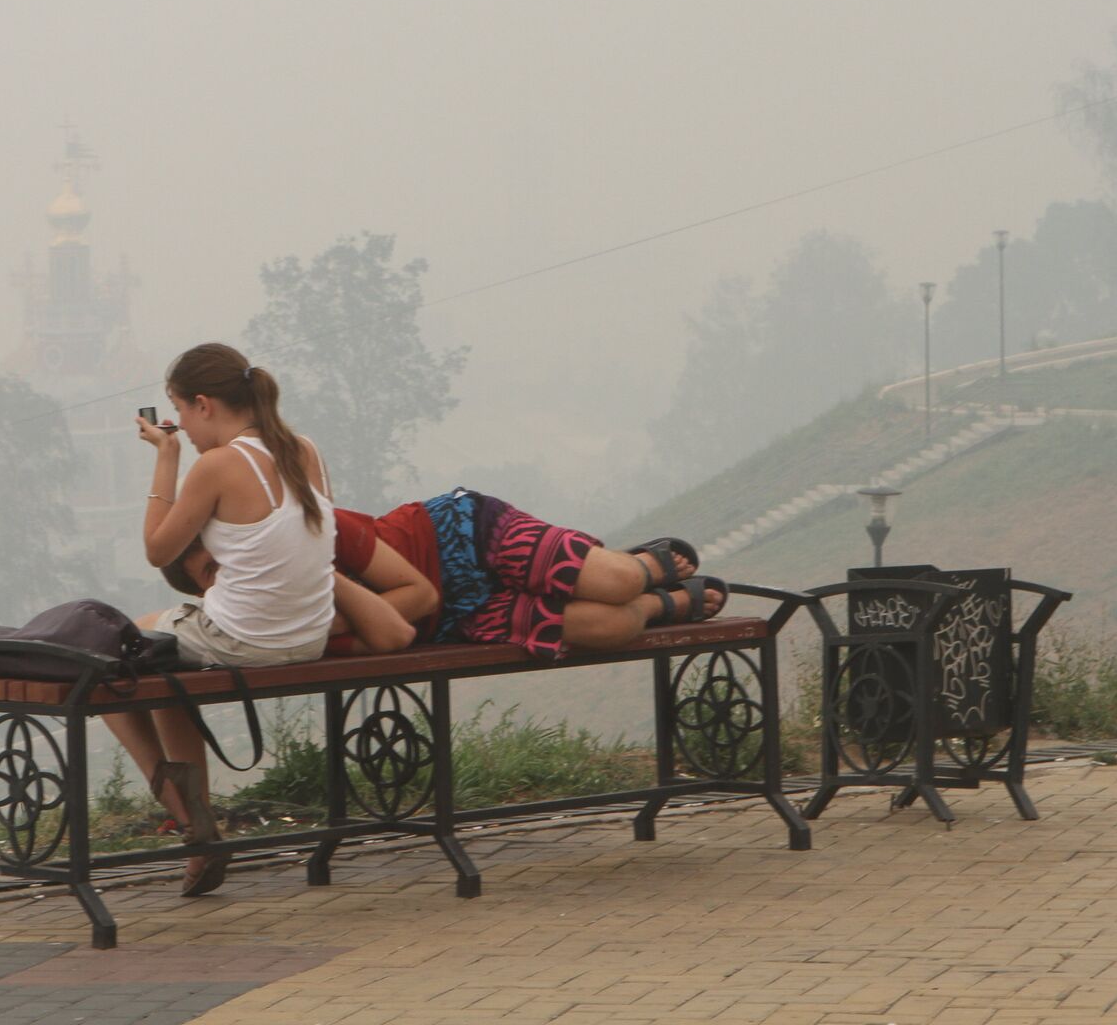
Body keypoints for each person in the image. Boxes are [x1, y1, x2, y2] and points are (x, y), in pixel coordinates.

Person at [105, 342, 339, 898]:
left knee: (120, 651)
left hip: (246, 641)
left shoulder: (218, 463)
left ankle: (190, 822)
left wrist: (166, 458)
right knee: (161, 660)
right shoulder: (304, 450)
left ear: (204, 404)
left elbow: (159, 550)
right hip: (310, 636)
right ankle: (195, 821)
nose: (180, 424)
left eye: (181, 411)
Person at [165, 490, 725, 660]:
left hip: (457, 536)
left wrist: (339, 613)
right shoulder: (267, 617)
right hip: (458, 620)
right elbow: (378, 636)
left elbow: (417, 591)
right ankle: (664, 603)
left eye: (215, 561)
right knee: (613, 625)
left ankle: (643, 566)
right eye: (207, 582)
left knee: (619, 584)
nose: (222, 578)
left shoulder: (312, 528)